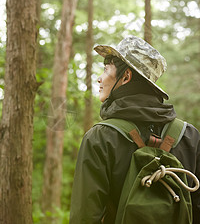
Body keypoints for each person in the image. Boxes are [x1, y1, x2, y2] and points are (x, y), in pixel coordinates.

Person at [69, 35, 200, 224]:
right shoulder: (190, 136)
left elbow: (85, 217)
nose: (99, 78)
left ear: (126, 76)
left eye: (106, 70)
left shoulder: (100, 137)